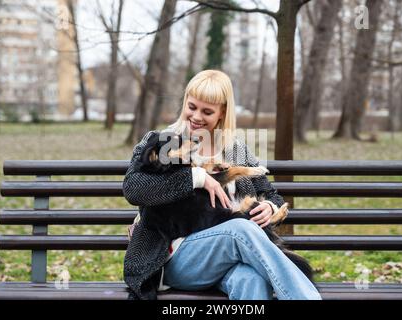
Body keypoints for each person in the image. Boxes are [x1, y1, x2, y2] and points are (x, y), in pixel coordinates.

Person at [123, 69, 321, 300]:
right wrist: (197, 177)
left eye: (207, 111)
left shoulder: (237, 150)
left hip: (227, 260)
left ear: (222, 113)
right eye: (192, 107)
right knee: (241, 229)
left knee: (252, 282)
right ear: (185, 101)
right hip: (175, 259)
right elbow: (133, 188)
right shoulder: (163, 141)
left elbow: (271, 195)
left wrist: (270, 208)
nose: (196, 116)